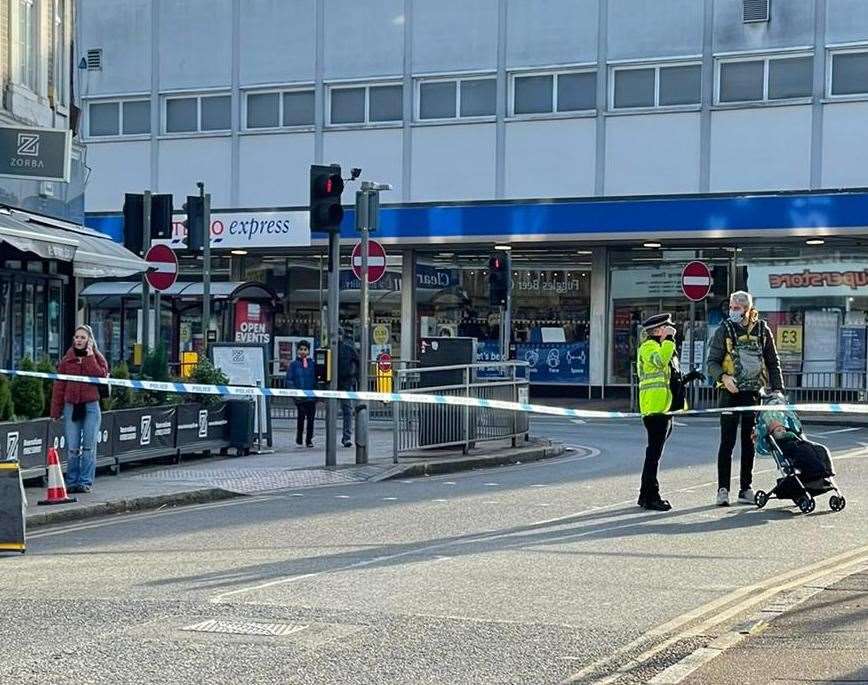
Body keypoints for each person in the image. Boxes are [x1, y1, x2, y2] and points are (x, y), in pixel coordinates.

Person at [707, 291, 783, 506]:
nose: (733, 310)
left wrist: (777, 389)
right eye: (732, 306)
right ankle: (723, 490)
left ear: (749, 309)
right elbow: (712, 361)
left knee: (749, 442)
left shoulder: (762, 330)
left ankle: (745, 489)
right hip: (729, 393)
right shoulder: (724, 329)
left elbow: (772, 361)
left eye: (738, 307)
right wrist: (723, 377)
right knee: (727, 442)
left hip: (753, 393)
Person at [636, 313, 703, 511]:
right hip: (654, 408)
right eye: (668, 328)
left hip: (665, 407)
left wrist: (689, 377)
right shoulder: (649, 347)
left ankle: (644, 494)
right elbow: (659, 362)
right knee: (653, 454)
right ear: (657, 330)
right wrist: (670, 340)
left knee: (655, 454)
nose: (672, 330)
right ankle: (651, 496)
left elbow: (671, 377)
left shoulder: (664, 347)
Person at [50, 325, 109, 494]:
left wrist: (89, 356)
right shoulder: (67, 359)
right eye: (77, 337)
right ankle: (72, 482)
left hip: (91, 406)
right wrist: (55, 411)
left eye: (83, 337)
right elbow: (59, 387)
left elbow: (100, 376)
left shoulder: (97, 358)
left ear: (89, 340)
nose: (79, 340)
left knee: (89, 447)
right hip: (71, 406)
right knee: (73, 448)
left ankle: (85, 482)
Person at [286, 340, 317, 448]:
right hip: (300, 397)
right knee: (301, 418)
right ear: (298, 350)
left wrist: (317, 394)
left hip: (311, 397)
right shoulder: (294, 365)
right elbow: (289, 379)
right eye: (301, 349)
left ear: (308, 351)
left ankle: (309, 439)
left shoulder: (312, 364)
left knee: (311, 419)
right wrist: (295, 393)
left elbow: (316, 379)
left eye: (305, 349)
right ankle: (299, 437)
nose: (303, 351)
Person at [337, 331, 359, 448]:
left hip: (345, 383)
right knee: (347, 411)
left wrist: (354, 376)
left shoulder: (347, 349)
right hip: (341, 383)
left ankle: (347, 437)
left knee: (347, 411)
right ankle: (346, 437)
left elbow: (357, 362)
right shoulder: (333, 349)